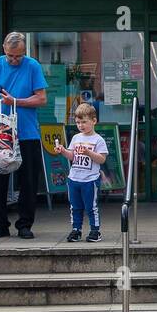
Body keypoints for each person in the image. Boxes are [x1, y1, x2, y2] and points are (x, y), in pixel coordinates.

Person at [0, 32, 47, 239]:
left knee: (28, 180)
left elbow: (42, 98)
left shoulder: (33, 66)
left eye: (18, 56)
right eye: (11, 56)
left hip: (27, 132)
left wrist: (16, 102)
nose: (14, 60)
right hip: (1, 132)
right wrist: (0, 119)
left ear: (24, 51)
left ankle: (24, 225)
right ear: (4, 48)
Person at [56, 102, 108, 243]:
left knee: (91, 206)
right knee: (75, 206)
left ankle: (95, 231)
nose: (81, 125)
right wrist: (63, 151)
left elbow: (102, 159)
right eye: (78, 122)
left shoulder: (99, 140)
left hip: (90, 179)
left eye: (84, 122)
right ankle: (76, 230)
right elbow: (72, 156)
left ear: (94, 121)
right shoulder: (76, 138)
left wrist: (89, 152)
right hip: (74, 178)